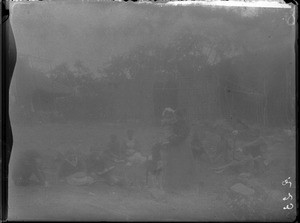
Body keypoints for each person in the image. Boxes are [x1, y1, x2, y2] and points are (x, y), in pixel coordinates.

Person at [160, 109, 194, 193]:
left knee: (184, 165)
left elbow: (181, 137)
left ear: (181, 117)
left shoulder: (185, 125)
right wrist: (170, 139)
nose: (175, 119)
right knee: (173, 166)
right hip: (174, 147)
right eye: (175, 117)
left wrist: (172, 139)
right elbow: (169, 134)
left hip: (182, 147)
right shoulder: (173, 124)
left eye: (176, 117)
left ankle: (184, 185)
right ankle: (173, 185)